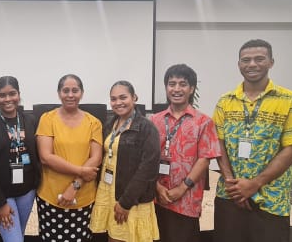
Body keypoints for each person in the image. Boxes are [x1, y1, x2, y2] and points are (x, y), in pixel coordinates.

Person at [213, 39, 292, 242]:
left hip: (271, 198)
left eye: (259, 59)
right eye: (246, 60)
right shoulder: (225, 101)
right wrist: (232, 184)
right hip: (230, 196)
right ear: (239, 65)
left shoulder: (291, 101)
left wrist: (254, 184)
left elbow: (291, 149)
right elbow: (218, 143)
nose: (252, 64)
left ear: (271, 62)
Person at [150, 64, 221, 242]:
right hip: (157, 196)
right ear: (166, 87)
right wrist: (157, 187)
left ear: (192, 89)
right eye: (172, 84)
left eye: (182, 84)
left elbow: (205, 159)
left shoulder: (203, 122)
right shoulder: (154, 120)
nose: (176, 89)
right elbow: (148, 157)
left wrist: (182, 188)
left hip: (187, 199)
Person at [90, 80, 161, 242]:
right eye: (113, 99)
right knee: (112, 236)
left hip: (129, 198)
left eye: (123, 97)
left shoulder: (147, 128)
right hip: (109, 191)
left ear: (134, 97)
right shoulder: (110, 124)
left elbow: (148, 169)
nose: (118, 103)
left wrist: (126, 202)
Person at [36, 74, 103, 242]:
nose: (70, 95)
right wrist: (81, 171)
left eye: (75, 90)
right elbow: (45, 157)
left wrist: (75, 185)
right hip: (50, 196)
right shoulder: (47, 119)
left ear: (82, 93)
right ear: (59, 93)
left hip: (84, 196)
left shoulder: (93, 122)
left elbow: (96, 157)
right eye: (66, 90)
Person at [0, 76, 41, 241]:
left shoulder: (30, 120)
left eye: (12, 93)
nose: (7, 99)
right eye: (2, 95)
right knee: (14, 239)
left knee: (18, 235)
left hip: (27, 191)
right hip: (1, 193)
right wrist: (0, 203)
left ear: (19, 94)